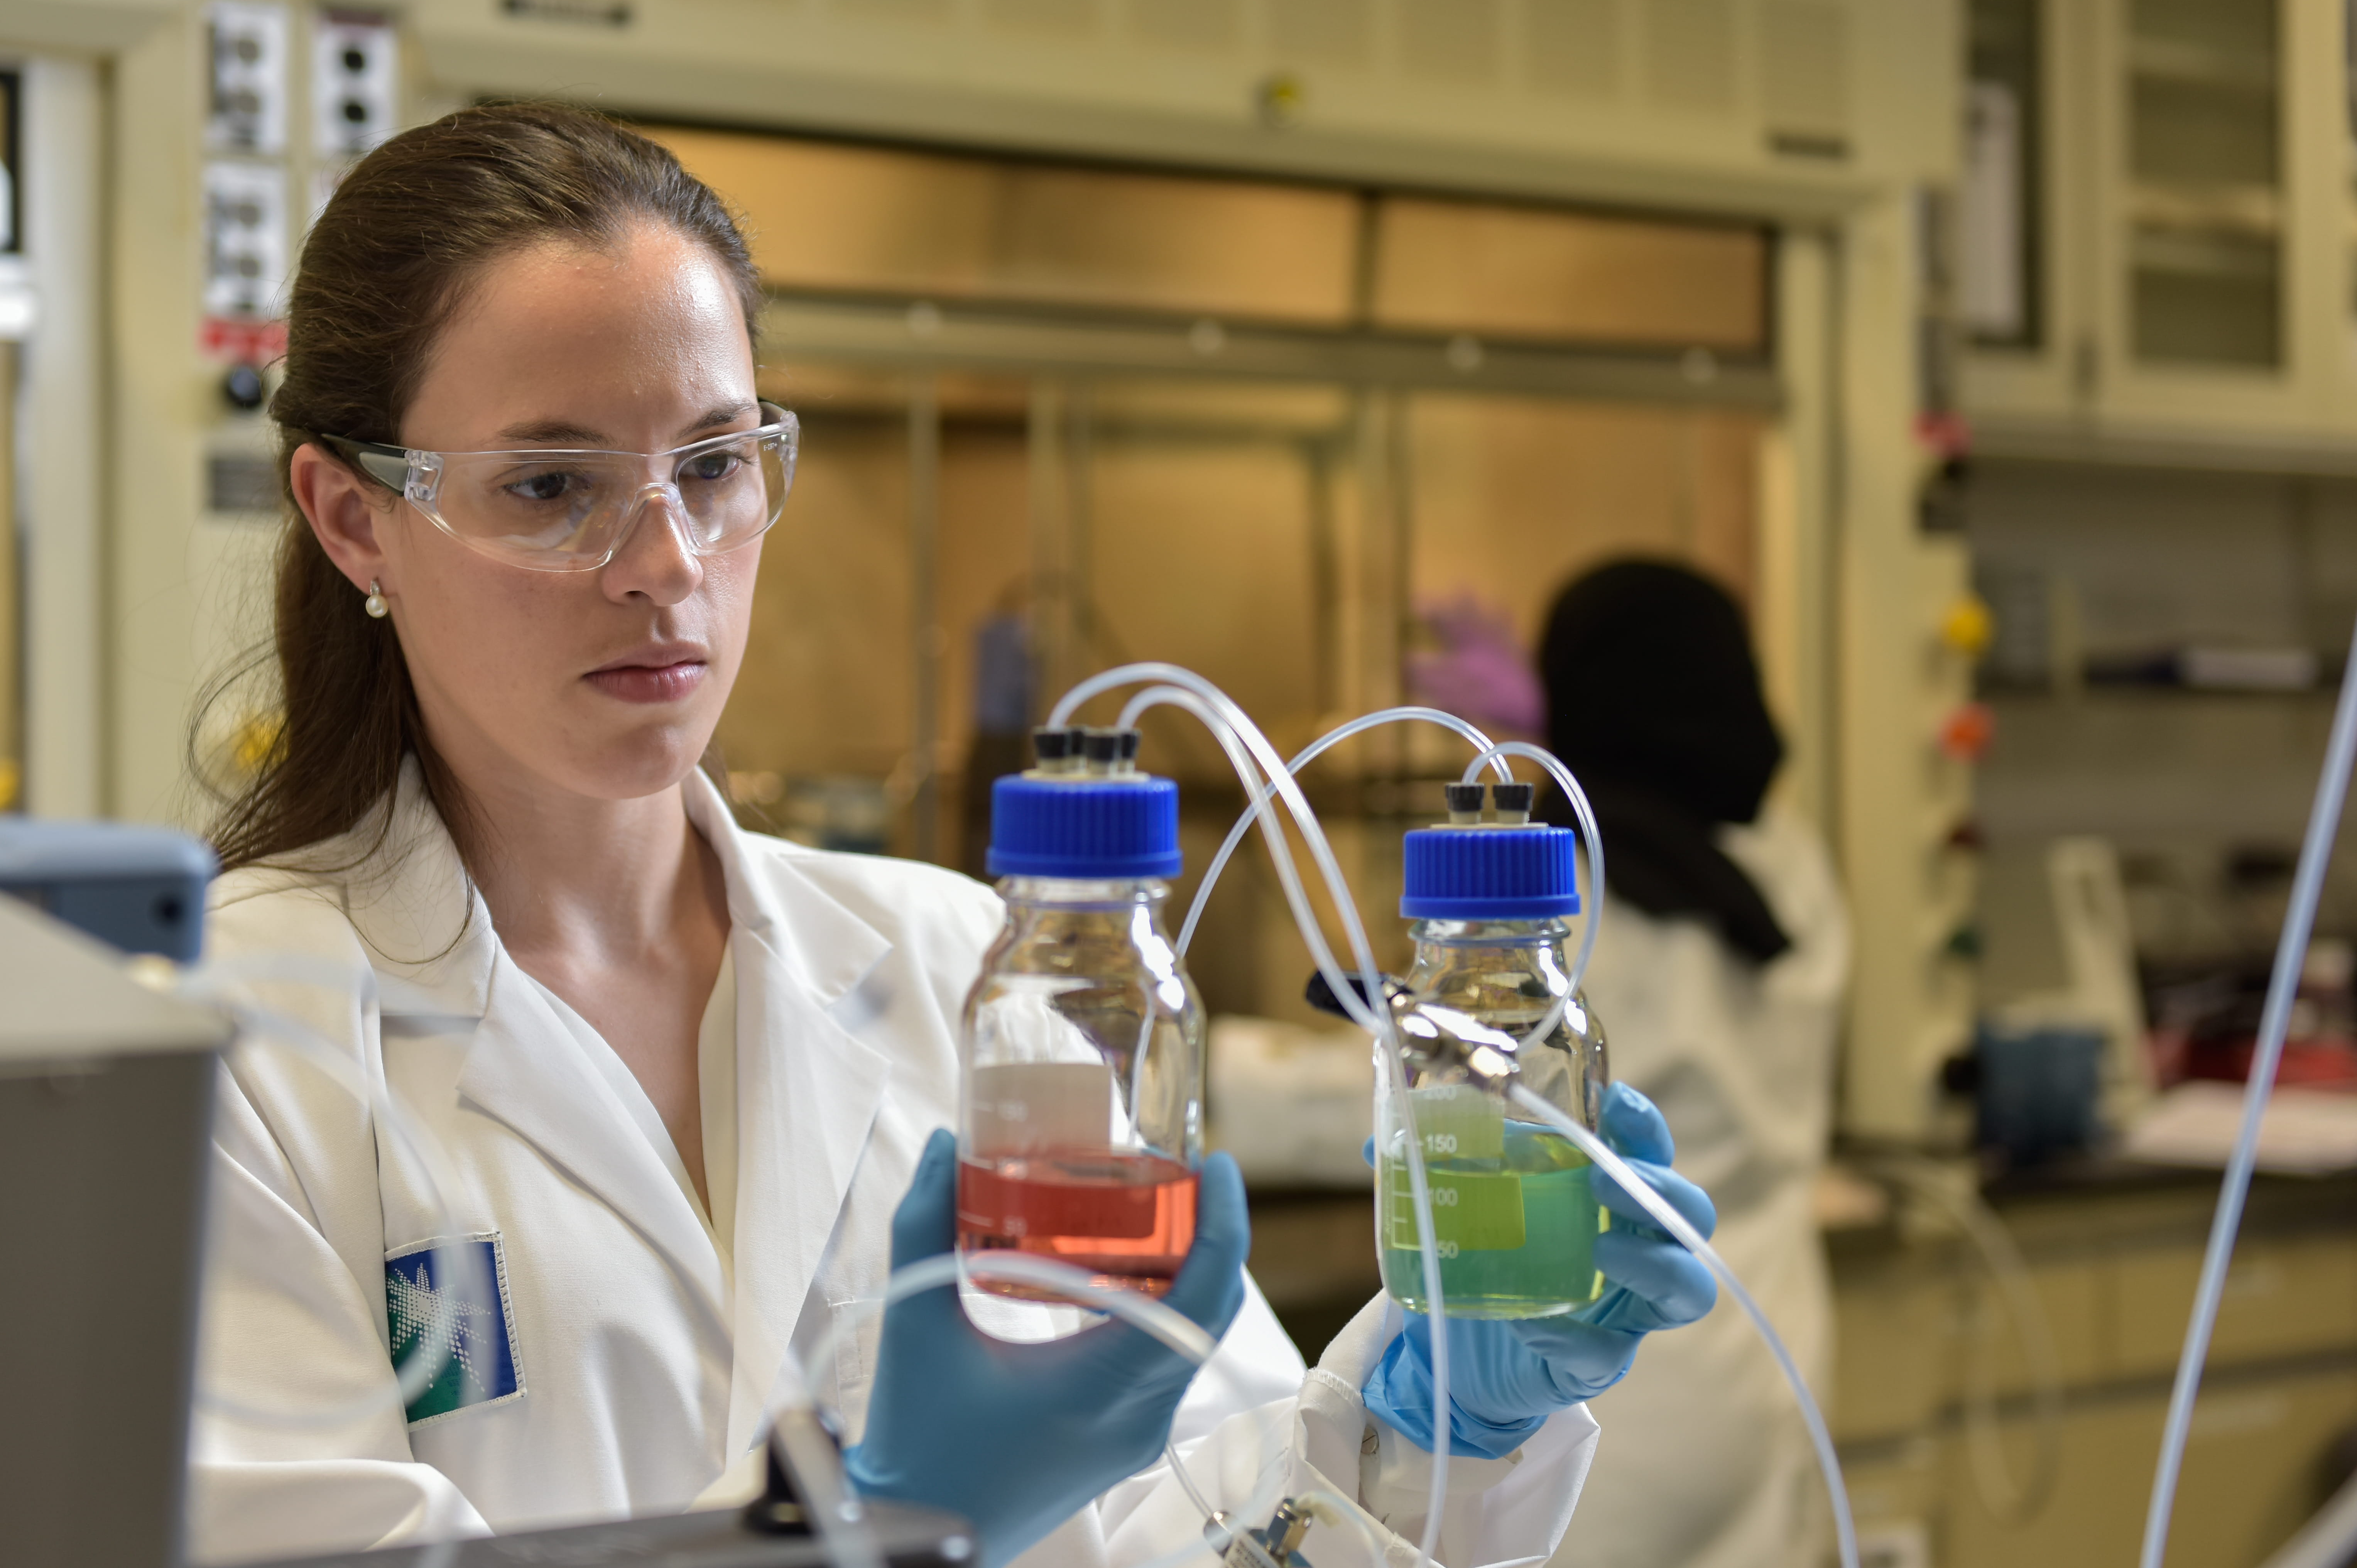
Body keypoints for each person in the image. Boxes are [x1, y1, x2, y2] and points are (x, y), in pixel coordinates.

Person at [188, 104, 1717, 1568]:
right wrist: (863, 1519)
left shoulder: (975, 968)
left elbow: (1207, 1530)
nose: (663, 565)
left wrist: (1426, 1434)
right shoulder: (226, 1054)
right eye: (549, 485)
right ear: (353, 517)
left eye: (715, 466)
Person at [1531, 561, 1852, 1568]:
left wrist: (1216, 1074)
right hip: (1776, 1338)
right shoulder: (1792, 868)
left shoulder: (1580, 888)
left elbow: (1450, 1092)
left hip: (1623, 1377)